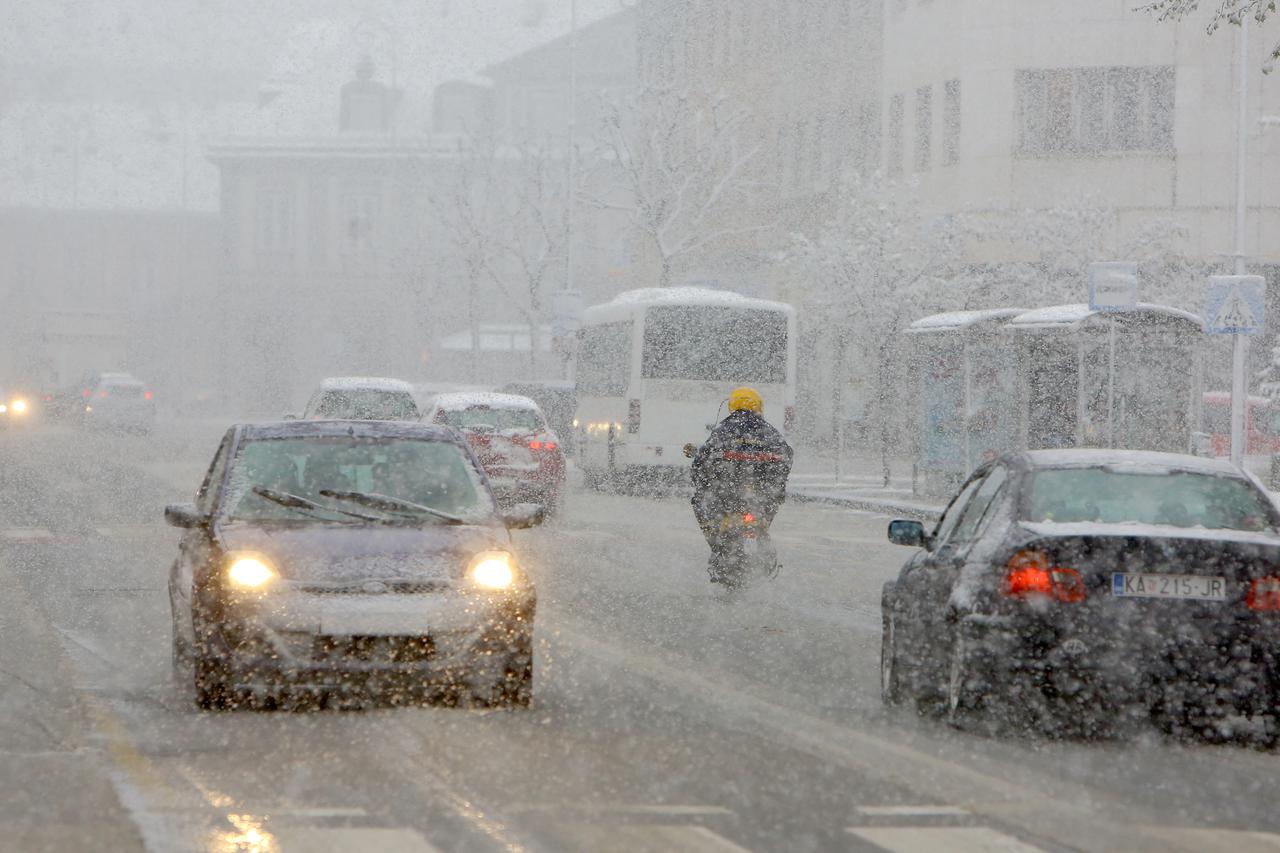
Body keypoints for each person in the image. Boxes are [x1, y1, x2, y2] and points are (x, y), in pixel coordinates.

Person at [690, 387, 794, 570]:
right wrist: (775, 484)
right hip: (763, 491)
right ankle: (762, 532)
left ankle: (717, 547)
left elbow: (702, 460)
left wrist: (703, 481)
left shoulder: (725, 429)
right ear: (758, 407)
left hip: (729, 492)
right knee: (770, 504)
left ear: (732, 405)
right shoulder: (769, 431)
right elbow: (786, 456)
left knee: (701, 502)